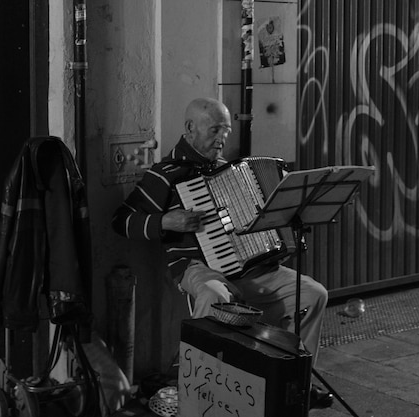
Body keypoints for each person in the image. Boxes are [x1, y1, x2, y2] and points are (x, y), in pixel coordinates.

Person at [111, 97, 334, 409]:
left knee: (313, 294)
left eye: (226, 132)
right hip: (199, 268)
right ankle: (206, 395)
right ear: (190, 128)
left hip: (252, 269)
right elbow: (121, 221)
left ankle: (296, 382)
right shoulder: (166, 175)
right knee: (215, 296)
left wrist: (270, 241)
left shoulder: (230, 171)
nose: (222, 139)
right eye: (215, 130)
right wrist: (164, 220)